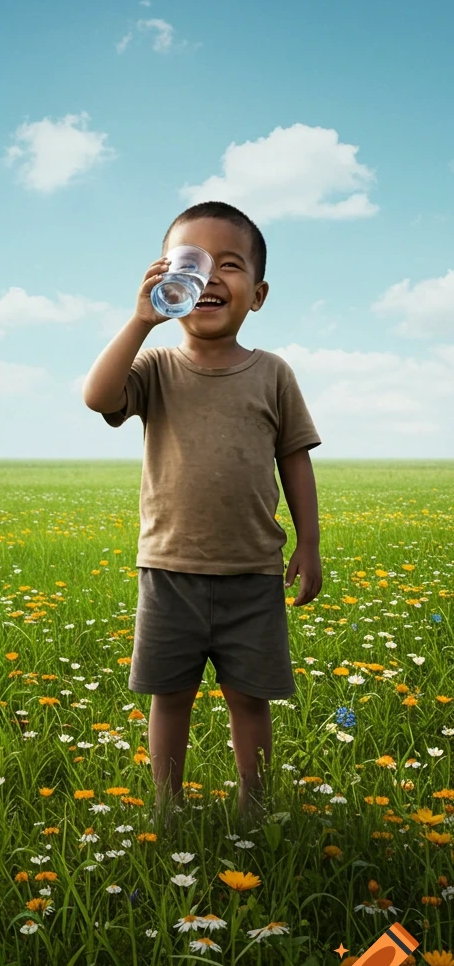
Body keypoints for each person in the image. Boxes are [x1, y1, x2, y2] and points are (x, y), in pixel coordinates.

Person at [83, 200, 321, 821]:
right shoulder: (156, 366)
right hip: (170, 572)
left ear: (259, 294)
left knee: (250, 698)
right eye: (191, 262)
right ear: (165, 276)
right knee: (170, 697)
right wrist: (140, 322)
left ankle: (255, 805)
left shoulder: (273, 373)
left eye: (230, 265)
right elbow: (98, 396)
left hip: (253, 572)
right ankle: (167, 806)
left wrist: (310, 545)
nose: (209, 276)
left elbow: (295, 458)